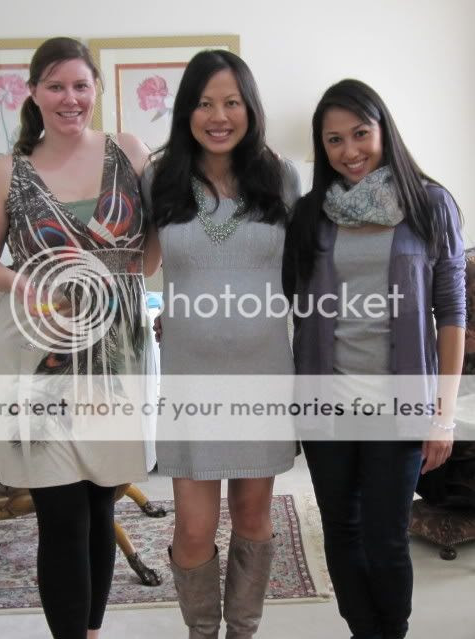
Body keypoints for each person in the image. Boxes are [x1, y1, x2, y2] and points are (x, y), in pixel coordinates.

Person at [0, 37, 157, 639]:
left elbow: (155, 248)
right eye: (55, 86)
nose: (70, 98)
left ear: (97, 89)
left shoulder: (130, 152)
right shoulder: (7, 170)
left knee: (100, 503)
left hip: (117, 359)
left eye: (80, 85)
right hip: (34, 358)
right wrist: (27, 283)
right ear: (34, 93)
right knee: (62, 513)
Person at [282, 79, 466, 639]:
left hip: (400, 406)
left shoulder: (429, 205)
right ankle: (364, 631)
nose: (349, 150)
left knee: (386, 537)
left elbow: (451, 313)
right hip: (326, 403)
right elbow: (292, 304)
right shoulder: (310, 214)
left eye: (360, 133)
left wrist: (443, 415)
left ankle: (393, 630)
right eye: (334, 140)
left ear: (384, 130)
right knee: (341, 529)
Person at [142, 50, 301, 638]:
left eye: (232, 102)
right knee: (192, 529)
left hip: (263, 374)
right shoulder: (159, 178)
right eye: (205, 103)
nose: (219, 116)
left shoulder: (282, 177)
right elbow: (139, 264)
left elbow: (303, 269)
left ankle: (242, 631)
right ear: (187, 110)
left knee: (253, 516)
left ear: (249, 109)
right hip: (191, 380)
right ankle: (202, 632)